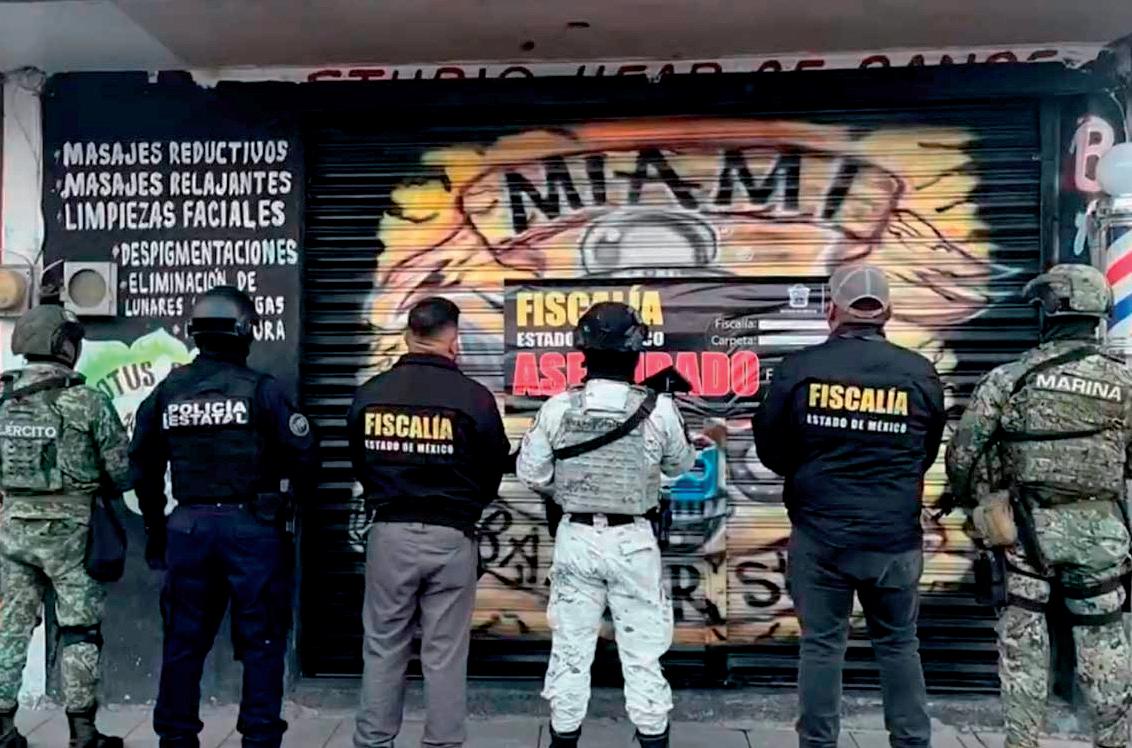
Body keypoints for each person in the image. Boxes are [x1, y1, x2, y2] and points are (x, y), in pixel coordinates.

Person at [753, 264, 945, 748]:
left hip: (821, 536)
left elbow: (771, 451)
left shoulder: (800, 369)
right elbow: (925, 452)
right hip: (894, 537)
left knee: (822, 647)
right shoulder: (918, 372)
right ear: (888, 312)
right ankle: (912, 742)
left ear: (831, 311)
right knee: (899, 645)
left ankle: (818, 744)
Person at [946, 263, 1132, 748]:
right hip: (1100, 529)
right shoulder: (1125, 382)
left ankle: (1023, 741)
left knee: (1023, 636)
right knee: (1103, 636)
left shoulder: (1010, 378)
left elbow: (964, 454)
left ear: (1047, 313)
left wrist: (970, 501)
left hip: (1025, 531)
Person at [130, 286, 318, 748]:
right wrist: (284, 503)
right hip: (251, 530)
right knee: (262, 642)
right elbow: (305, 458)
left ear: (195, 333)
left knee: (183, 642)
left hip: (188, 527)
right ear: (246, 331)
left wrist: (156, 526)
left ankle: (176, 738)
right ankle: (259, 738)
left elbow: (142, 464)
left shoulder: (168, 392)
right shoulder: (263, 391)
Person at [517, 301, 695, 748]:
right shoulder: (658, 409)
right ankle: (652, 738)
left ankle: (563, 740)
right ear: (636, 351)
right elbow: (680, 465)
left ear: (583, 349)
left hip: (575, 538)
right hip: (634, 540)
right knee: (643, 654)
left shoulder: (558, 407)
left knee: (570, 652)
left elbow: (532, 473)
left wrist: (570, 489)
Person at [349, 297, 510, 748]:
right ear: (453, 340)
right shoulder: (474, 398)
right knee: (445, 652)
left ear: (408, 335)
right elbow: (494, 467)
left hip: (389, 534)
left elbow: (360, 462)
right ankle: (442, 743)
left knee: (383, 645)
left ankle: (373, 741)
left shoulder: (371, 393)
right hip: (452, 535)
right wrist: (465, 507)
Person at [0, 304, 130, 748]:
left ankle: (2, 730)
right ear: (64, 346)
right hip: (74, 534)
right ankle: (83, 732)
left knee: (9, 628)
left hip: (13, 529)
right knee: (80, 630)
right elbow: (121, 473)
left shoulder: (3, 397)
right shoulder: (88, 400)